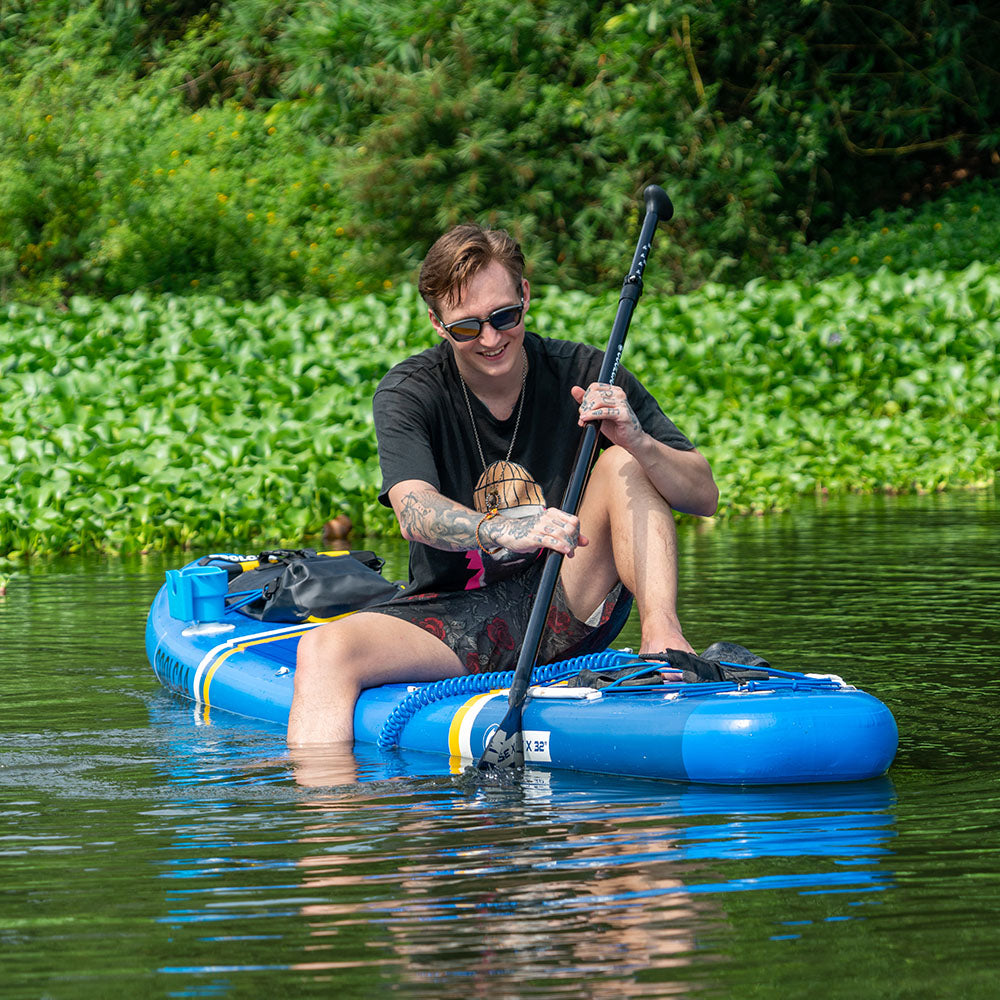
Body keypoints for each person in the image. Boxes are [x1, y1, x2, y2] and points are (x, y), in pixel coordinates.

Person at [287, 224, 718, 747]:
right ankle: (332, 818)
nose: (491, 339)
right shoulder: (408, 393)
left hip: (569, 594)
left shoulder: (588, 372)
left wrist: (639, 440)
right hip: (452, 615)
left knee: (625, 463)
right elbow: (414, 510)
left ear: (525, 295)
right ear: (437, 324)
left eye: (504, 317)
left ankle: (663, 644)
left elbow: (703, 495)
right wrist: (500, 529)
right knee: (322, 652)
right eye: (467, 328)